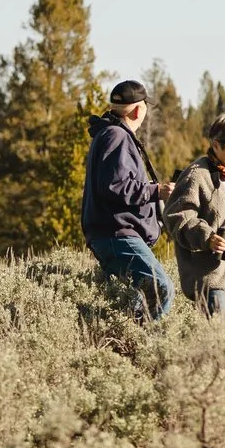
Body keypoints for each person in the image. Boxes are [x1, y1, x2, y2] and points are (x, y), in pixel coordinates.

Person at [79, 80, 175, 320]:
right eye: (144, 106)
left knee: (131, 303)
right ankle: (149, 346)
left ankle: (125, 346)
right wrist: (157, 191)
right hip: (119, 235)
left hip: (109, 235)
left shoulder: (107, 133)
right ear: (136, 110)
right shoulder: (117, 136)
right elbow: (116, 186)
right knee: (161, 288)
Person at [166, 114, 225, 322]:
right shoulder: (196, 175)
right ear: (216, 145)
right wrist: (206, 237)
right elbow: (177, 215)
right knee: (221, 336)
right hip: (212, 278)